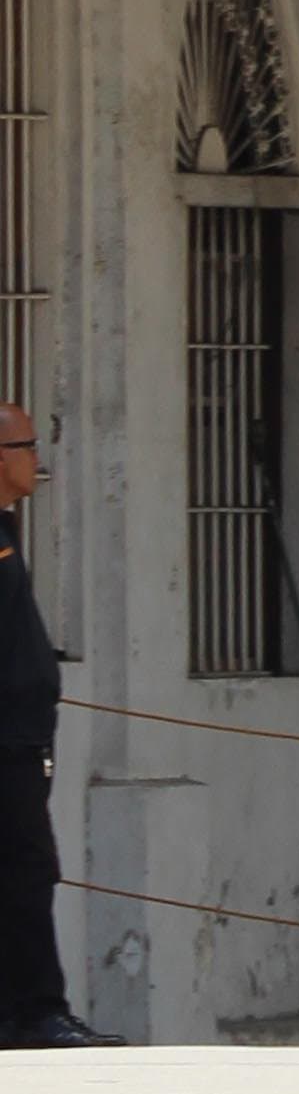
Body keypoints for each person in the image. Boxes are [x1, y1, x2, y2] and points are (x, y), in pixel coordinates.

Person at [0, 403, 96, 1046]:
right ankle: (36, 1011)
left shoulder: (6, 530)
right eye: (28, 445)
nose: (39, 460)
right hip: (6, 740)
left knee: (27, 872)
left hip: (23, 736)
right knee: (27, 871)